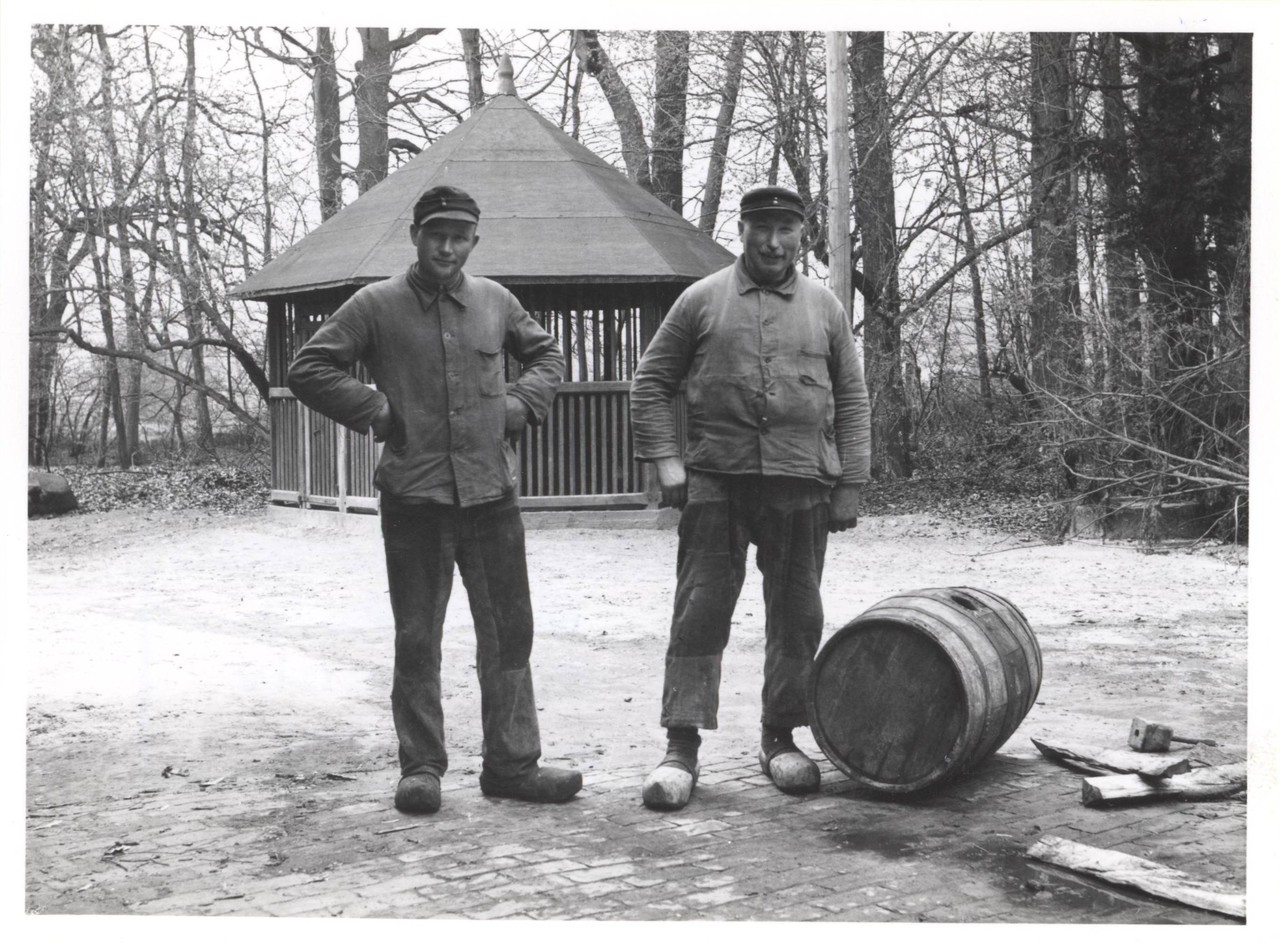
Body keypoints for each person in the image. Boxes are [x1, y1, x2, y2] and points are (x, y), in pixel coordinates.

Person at [287, 184, 581, 814]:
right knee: (417, 637)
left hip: (490, 496)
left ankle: (512, 765)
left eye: (459, 236)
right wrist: (378, 410)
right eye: (436, 234)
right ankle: (421, 767)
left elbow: (548, 354)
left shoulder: (495, 301)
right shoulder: (376, 305)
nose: (447, 246)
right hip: (414, 500)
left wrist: (521, 403)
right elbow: (308, 369)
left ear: (474, 240)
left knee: (509, 635)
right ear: (415, 237)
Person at [629, 185, 871, 811]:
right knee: (700, 610)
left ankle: (780, 736)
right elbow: (650, 384)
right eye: (761, 227)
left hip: (801, 485)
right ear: (741, 230)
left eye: (786, 228)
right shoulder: (700, 300)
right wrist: (666, 460)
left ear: (803, 234)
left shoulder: (825, 308)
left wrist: (851, 484)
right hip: (718, 483)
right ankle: (681, 746)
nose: (772, 241)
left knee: (797, 613)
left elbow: (852, 398)